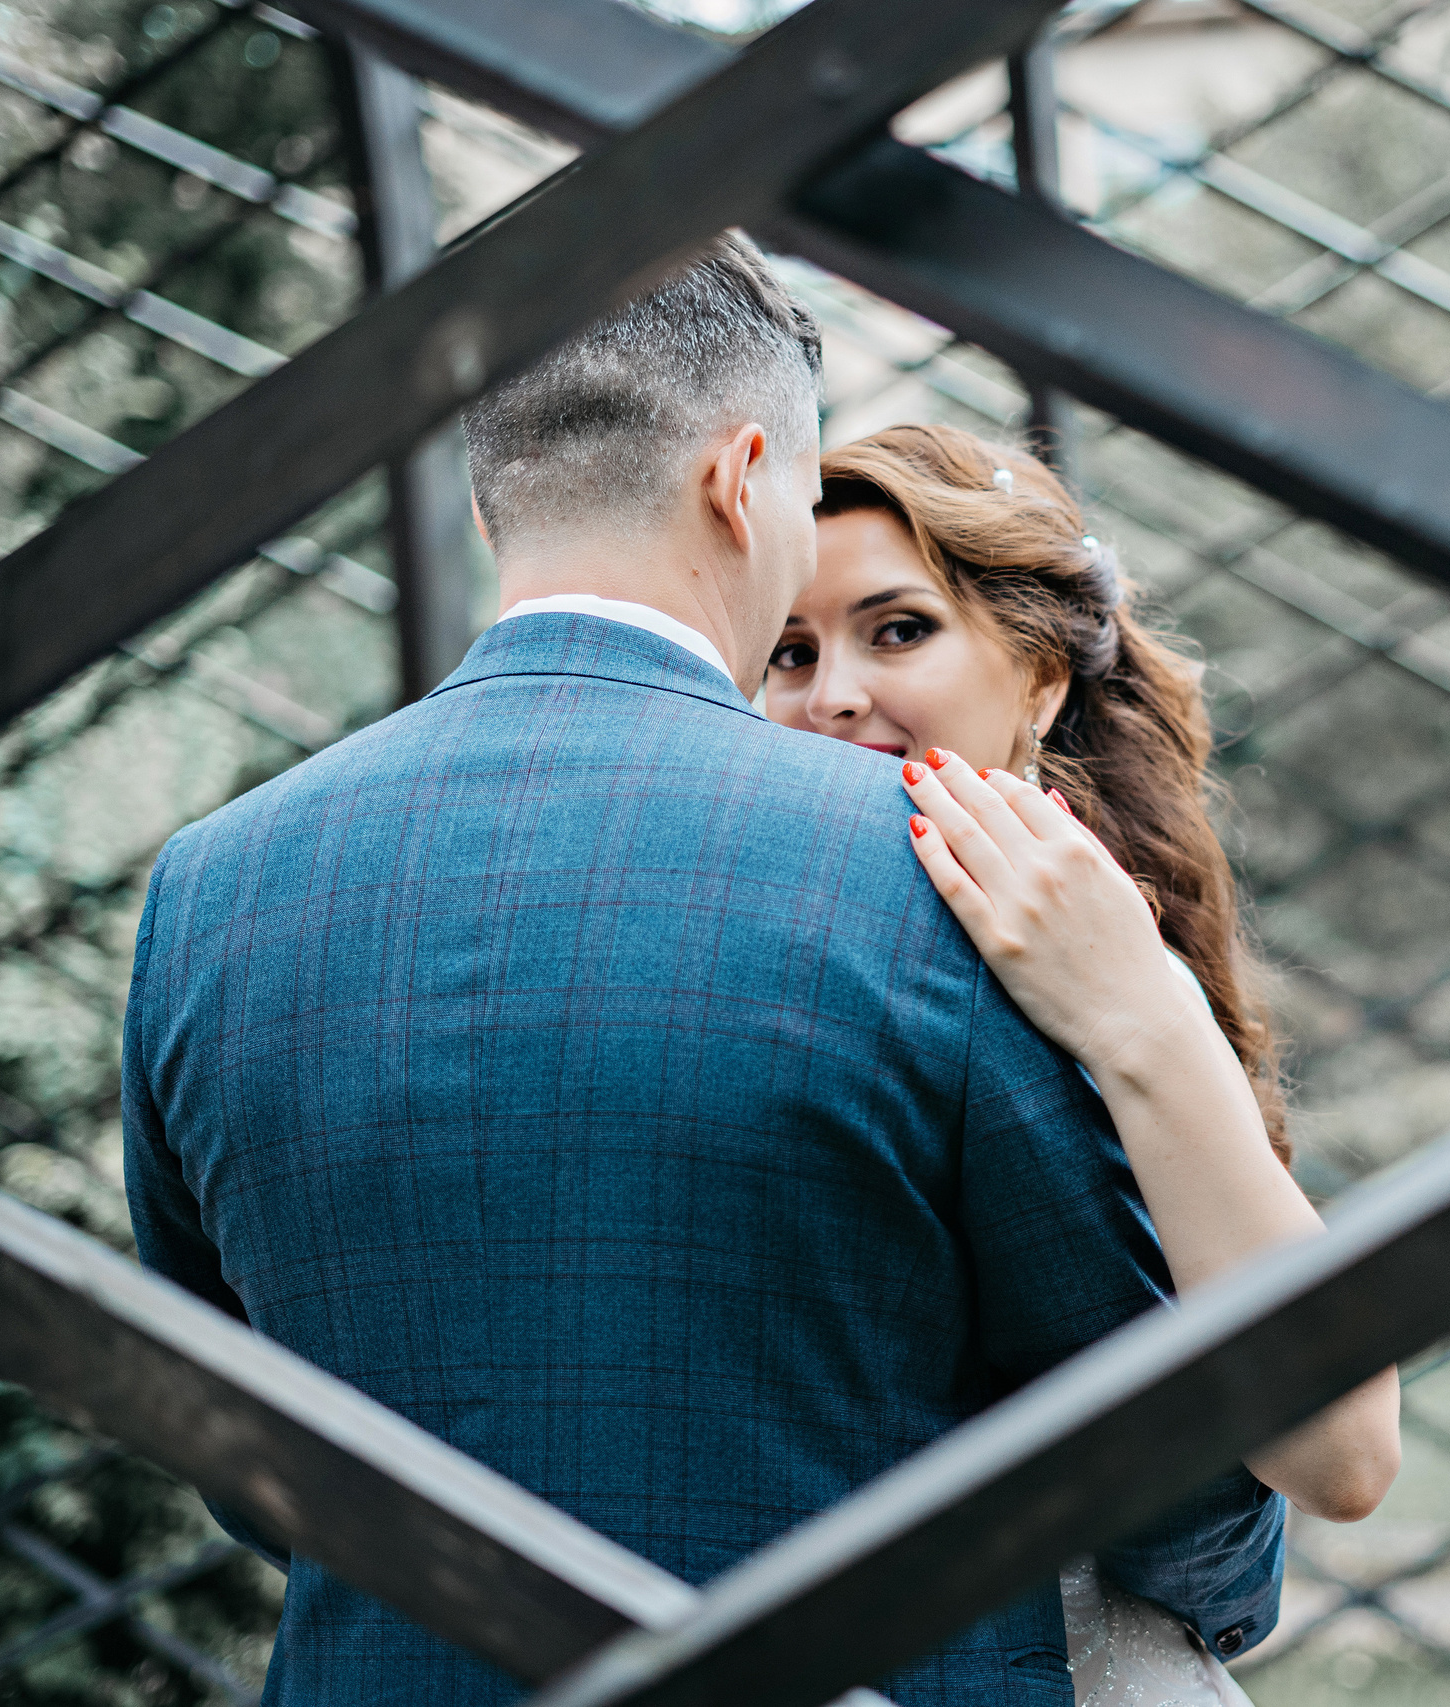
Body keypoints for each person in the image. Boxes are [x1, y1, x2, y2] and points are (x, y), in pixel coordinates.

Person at [118, 234, 1283, 1707]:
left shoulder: (211, 888)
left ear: (492, 507)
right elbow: (1154, 1464)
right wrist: (1224, 1600)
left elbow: (240, 1450)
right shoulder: (936, 868)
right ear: (743, 480)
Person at [766, 426, 1402, 1706]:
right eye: (788, 650)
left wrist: (1140, 1018)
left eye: (896, 631)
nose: (831, 694)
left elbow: (1344, 1456)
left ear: (1043, 677)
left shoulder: (1122, 973)